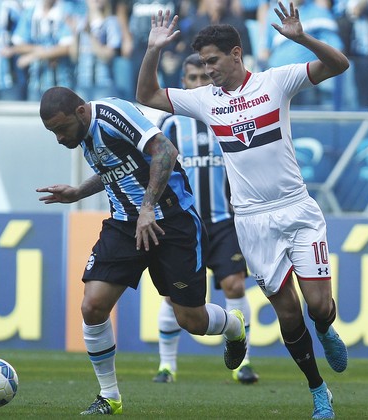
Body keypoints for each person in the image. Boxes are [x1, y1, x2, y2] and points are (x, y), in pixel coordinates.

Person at [136, 5, 349, 419]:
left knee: (319, 305)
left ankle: (325, 328)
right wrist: (153, 50)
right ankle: (318, 390)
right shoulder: (205, 101)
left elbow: (338, 64)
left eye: (214, 61)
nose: (208, 69)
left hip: (297, 209)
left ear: (236, 54)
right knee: (287, 311)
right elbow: (146, 95)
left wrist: (301, 38)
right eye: (203, 63)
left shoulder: (276, 82)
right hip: (251, 221)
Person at [37, 86, 247, 415]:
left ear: (80, 112)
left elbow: (165, 150)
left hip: (172, 222)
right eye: (52, 133)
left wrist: (148, 206)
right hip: (124, 225)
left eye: (62, 129)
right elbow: (114, 169)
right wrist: (79, 192)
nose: (60, 138)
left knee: (191, 320)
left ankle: (234, 326)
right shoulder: (85, 134)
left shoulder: (112, 115)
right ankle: (110, 396)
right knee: (92, 306)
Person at [152, 53, 258, 386]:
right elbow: (155, 170)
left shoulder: (226, 115)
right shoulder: (169, 124)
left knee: (234, 285)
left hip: (224, 219)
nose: (198, 83)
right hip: (184, 223)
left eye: (203, 78)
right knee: (173, 296)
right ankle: (167, 366)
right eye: (192, 78)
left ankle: (243, 362)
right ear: (183, 83)